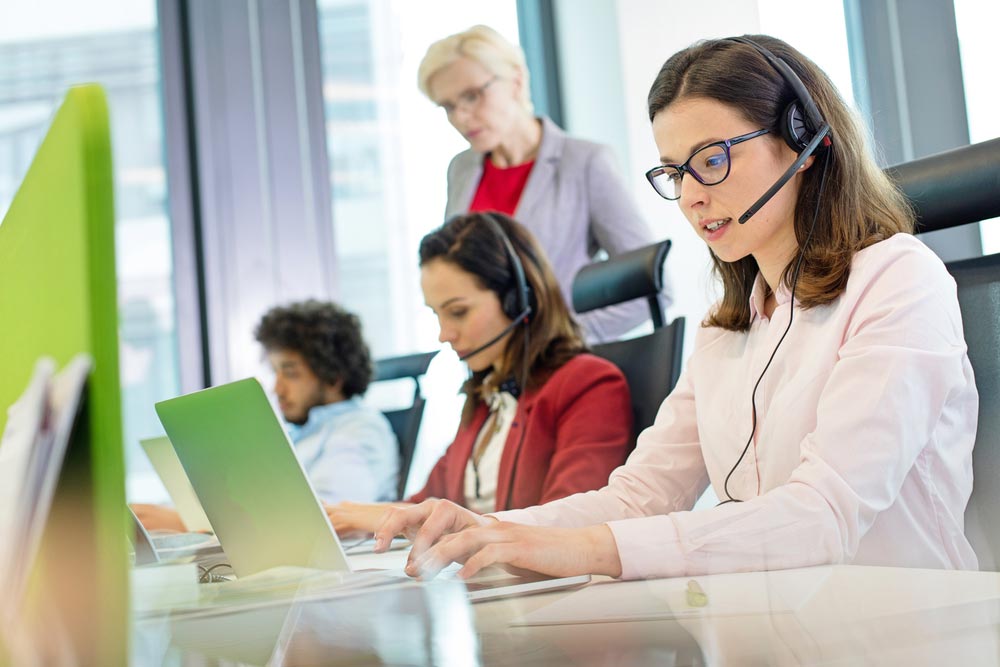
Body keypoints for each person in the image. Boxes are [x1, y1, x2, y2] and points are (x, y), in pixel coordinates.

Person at [371, 35, 980, 583]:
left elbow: (823, 513)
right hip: (774, 627)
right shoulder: (730, 325)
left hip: (901, 620)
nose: (690, 195)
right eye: (673, 171)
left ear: (803, 139)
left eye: (711, 159)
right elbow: (639, 498)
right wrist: (492, 530)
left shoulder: (897, 279)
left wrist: (585, 550)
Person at [326, 211, 633, 535]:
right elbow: (425, 503)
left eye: (458, 312)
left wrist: (396, 519)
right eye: (437, 314)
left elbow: (567, 527)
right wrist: (350, 516)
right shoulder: (486, 399)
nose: (444, 334)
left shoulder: (588, 385)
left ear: (517, 298)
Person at [418, 24, 669, 343]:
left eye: (472, 95)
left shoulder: (585, 162)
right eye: (449, 106)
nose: (461, 117)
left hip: (561, 367)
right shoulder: (461, 170)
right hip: (488, 371)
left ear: (516, 81)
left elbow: (653, 288)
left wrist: (557, 338)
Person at [133, 300, 399, 531]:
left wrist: (185, 524)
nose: (277, 388)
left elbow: (328, 519)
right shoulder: (297, 433)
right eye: (275, 372)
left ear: (333, 377)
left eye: (291, 373)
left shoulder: (360, 431)